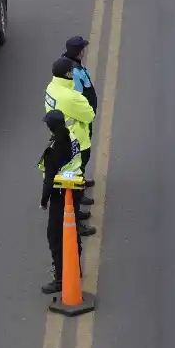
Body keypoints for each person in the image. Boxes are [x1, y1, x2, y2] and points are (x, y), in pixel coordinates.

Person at [38, 107, 87, 295]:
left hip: (60, 197)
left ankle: (61, 278)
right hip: (75, 191)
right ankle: (76, 268)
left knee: (55, 237)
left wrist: (44, 201)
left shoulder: (53, 150)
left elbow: (49, 181)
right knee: (72, 231)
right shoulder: (73, 138)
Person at [45, 57, 97, 219]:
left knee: (76, 172)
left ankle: (80, 190)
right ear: (68, 74)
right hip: (76, 139)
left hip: (62, 137)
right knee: (75, 173)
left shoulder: (51, 87)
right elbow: (89, 115)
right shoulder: (71, 96)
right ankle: (75, 211)